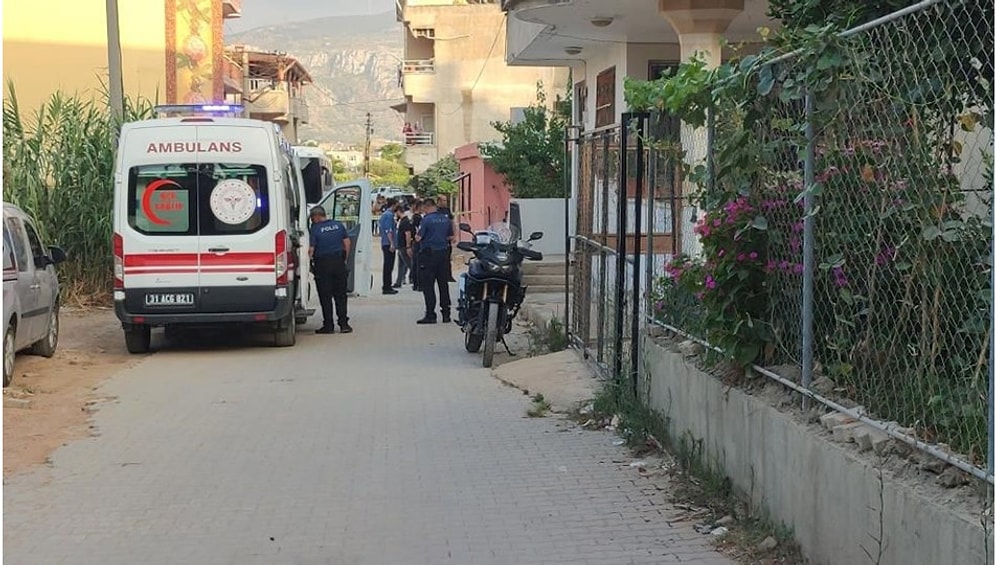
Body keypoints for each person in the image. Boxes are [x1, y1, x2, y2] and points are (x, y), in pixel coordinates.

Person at [308, 206, 352, 334]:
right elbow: (347, 243)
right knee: (341, 296)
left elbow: (311, 249)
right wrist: (344, 259)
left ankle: (328, 325)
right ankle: (344, 324)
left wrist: (308, 263)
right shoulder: (338, 225)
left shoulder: (315, 229)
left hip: (323, 265)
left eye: (312, 218)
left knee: (325, 296)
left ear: (316, 216)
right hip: (338, 263)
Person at [415, 197, 454, 324]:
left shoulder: (426, 220)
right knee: (443, 284)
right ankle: (446, 314)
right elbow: (450, 237)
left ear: (426, 207)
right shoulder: (445, 218)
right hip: (443, 254)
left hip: (429, 256)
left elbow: (418, 237)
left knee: (428, 285)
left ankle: (431, 314)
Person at [435, 194, 457, 283]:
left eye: (446, 201)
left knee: (448, 257)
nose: (445, 202)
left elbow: (452, 222)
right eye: (444, 201)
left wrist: (454, 235)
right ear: (439, 201)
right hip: (439, 238)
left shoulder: (447, 210)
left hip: (448, 237)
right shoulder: (436, 211)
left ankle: (448, 275)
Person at [379, 199, 398, 294]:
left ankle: (387, 285)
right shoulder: (389, 215)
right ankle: (387, 286)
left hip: (385, 242)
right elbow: (389, 230)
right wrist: (392, 243)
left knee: (388, 266)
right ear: (393, 205)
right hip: (388, 243)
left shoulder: (385, 215)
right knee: (388, 266)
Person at [394, 205, 415, 288]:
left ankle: (417, 280)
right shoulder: (402, 221)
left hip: (404, 246)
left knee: (410, 264)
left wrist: (408, 246)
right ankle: (398, 282)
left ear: (398, 211)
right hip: (400, 247)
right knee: (401, 265)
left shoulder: (405, 221)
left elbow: (408, 234)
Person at [411, 200, 424, 291]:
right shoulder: (418, 218)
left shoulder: (413, 217)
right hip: (418, 243)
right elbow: (419, 230)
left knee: (415, 264)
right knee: (418, 264)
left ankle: (416, 284)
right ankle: (418, 284)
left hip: (415, 242)